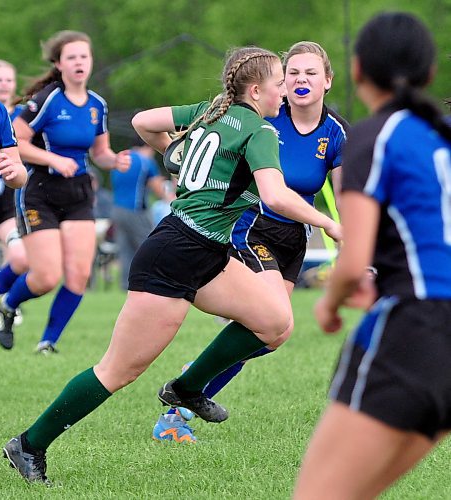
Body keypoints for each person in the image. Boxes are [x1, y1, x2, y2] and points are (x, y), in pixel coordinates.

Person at [2, 45, 341, 484]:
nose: (285, 92)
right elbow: (275, 196)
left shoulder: (212, 111)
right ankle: (29, 444)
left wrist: (174, 156)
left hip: (207, 251)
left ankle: (185, 388)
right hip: (176, 255)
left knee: (275, 322)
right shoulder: (257, 130)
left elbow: (144, 122)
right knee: (118, 370)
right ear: (257, 90)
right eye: (280, 82)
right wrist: (328, 225)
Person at [153, 41, 349, 442]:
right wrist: (181, 161)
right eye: (292, 72)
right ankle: (179, 406)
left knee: (270, 335)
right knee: (268, 323)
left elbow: (347, 200)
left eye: (311, 73)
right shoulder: (264, 117)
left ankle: (189, 385)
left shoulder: (336, 133)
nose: (300, 80)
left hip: (294, 239)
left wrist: (354, 236)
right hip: (250, 228)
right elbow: (202, 145)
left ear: (327, 81)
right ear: (279, 80)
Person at [293, 12, 451, 499]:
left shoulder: (372, 135)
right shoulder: (440, 137)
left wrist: (330, 301)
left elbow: (355, 251)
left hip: (418, 327)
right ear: (429, 73)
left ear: (357, 70)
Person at [0, 31, 130, 354]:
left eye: (84, 56)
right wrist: (54, 158)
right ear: (58, 63)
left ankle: (48, 342)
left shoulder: (98, 105)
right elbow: (18, 143)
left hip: (78, 192)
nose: (79, 62)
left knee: (79, 274)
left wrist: (115, 160)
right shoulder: (47, 100)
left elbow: (100, 152)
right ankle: (8, 304)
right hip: (40, 190)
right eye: (72, 57)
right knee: (45, 276)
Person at [0, 60, 28, 333]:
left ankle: (1, 296)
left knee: (21, 257)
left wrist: (11, 170)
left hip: (3, 203)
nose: (4, 85)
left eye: (8, 80)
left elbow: (20, 174)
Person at [111, 141, 173, 290]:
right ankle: (151, 280)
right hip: (135, 210)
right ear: (148, 146)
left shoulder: (122, 157)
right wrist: (171, 199)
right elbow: (156, 185)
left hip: (117, 209)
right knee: (147, 246)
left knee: (125, 248)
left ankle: (125, 284)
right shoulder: (145, 161)